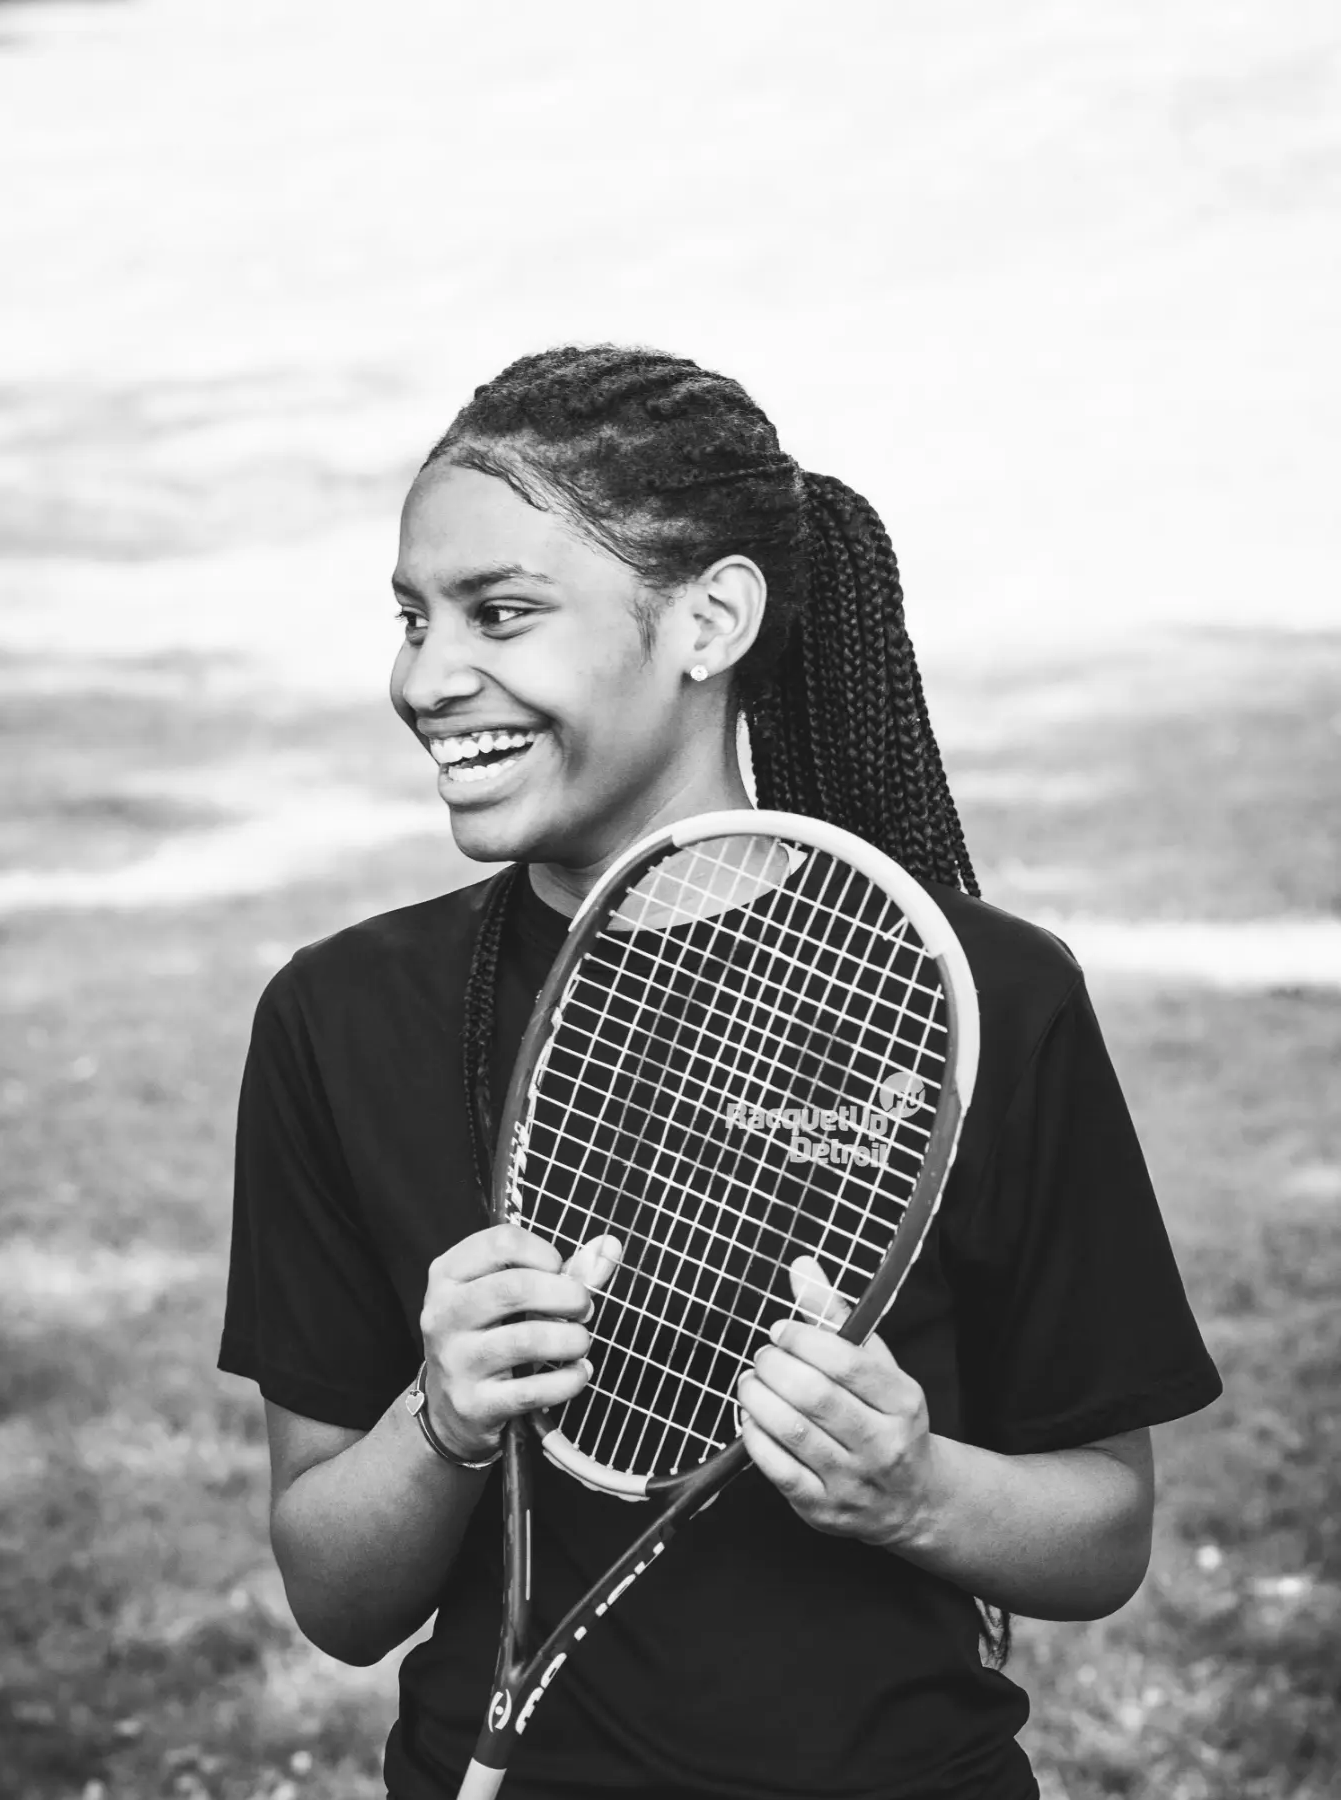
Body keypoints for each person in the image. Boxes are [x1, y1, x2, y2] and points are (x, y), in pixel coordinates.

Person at [218, 344, 1222, 1800]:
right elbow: (336, 1593)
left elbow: (1102, 1532)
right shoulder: (336, 1019)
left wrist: (916, 1490)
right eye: (412, 617)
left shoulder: (981, 996)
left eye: (501, 612)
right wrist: (436, 1418)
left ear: (711, 619)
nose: (428, 677)